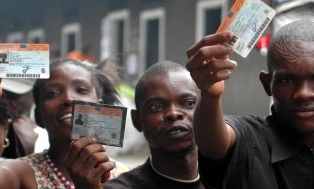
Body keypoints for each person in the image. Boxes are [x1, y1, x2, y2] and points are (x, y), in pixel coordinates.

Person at [186, 20, 314, 189]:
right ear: (267, 84)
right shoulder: (252, 140)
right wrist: (210, 95)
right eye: (287, 80)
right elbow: (214, 144)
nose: (303, 93)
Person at [0, 43, 124, 188]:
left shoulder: (124, 177)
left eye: (81, 90)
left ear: (100, 106)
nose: (68, 99)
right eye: (52, 93)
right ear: (38, 116)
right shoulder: (20, 172)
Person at [65, 60, 205, 189]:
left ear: (204, 109)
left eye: (188, 103)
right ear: (137, 120)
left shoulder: (224, 176)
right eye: (156, 107)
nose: (173, 113)